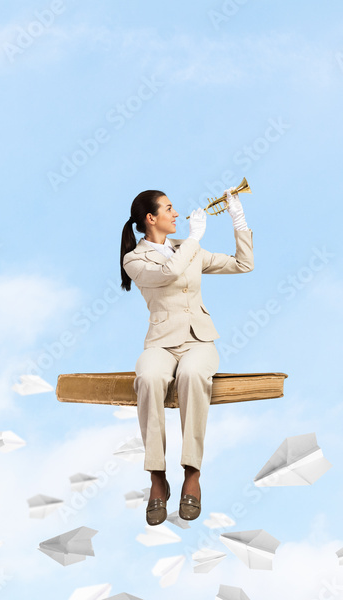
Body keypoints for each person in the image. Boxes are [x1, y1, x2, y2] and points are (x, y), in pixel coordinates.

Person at [119, 188, 253, 525]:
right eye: (168, 208)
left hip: (198, 341)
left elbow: (243, 264)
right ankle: (156, 478)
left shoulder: (188, 249)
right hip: (161, 343)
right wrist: (194, 237)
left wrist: (238, 218)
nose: (176, 214)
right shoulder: (135, 260)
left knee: (193, 375)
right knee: (148, 378)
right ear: (151, 219)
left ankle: (192, 472)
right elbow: (168, 273)